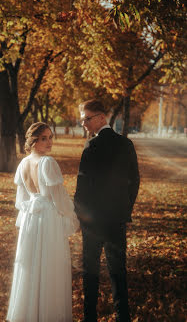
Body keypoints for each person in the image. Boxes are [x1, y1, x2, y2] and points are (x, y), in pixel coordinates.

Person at [74, 99, 140, 322]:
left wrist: (81, 216)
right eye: (82, 119)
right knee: (118, 270)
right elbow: (135, 183)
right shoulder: (126, 144)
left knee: (90, 271)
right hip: (117, 219)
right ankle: (123, 317)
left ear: (101, 117)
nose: (84, 123)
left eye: (87, 118)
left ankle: (89, 317)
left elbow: (82, 187)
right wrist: (125, 208)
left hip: (93, 222)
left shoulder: (91, 146)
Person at [6, 122, 79, 322]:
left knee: (31, 265)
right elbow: (58, 197)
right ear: (33, 141)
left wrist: (28, 215)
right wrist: (72, 215)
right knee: (49, 264)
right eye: (44, 138)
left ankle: (30, 313)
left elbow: (21, 200)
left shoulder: (23, 163)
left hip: (31, 218)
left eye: (50, 137)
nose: (49, 142)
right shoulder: (47, 163)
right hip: (47, 219)